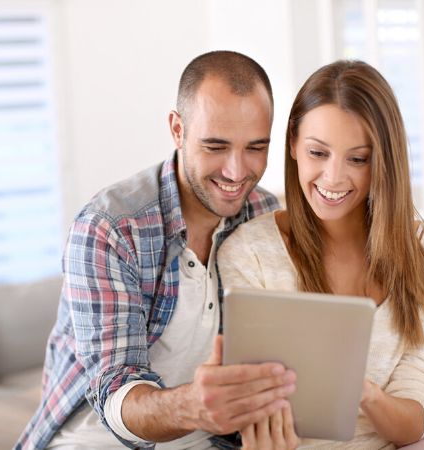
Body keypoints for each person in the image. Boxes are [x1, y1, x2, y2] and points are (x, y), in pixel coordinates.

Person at [15, 50, 299, 450]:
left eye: (255, 148)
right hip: (95, 441)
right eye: (215, 146)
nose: (237, 172)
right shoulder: (109, 228)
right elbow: (116, 394)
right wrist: (195, 407)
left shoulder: (264, 215)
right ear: (177, 129)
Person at [218, 60, 424, 449]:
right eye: (318, 152)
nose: (333, 178)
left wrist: (360, 391)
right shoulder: (250, 254)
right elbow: (253, 406)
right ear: (293, 143)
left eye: (358, 159)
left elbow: (414, 418)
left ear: (384, 161)